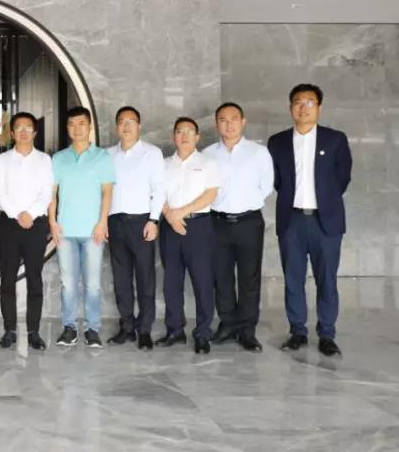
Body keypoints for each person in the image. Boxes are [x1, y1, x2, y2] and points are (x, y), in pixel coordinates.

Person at [267, 84, 352, 357]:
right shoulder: (277, 142)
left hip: (325, 222)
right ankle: (298, 332)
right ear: (290, 107)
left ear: (319, 107)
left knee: (327, 280)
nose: (303, 108)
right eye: (298, 102)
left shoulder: (335, 139)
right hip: (291, 220)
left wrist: (324, 200)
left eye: (310, 102)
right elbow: (277, 180)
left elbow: (342, 177)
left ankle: (327, 334)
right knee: (293, 279)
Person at [204, 102, 274, 352]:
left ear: (243, 122)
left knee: (249, 278)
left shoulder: (259, 153)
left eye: (234, 119)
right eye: (223, 120)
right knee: (221, 276)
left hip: (248, 222)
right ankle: (227, 324)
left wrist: (243, 203)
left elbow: (266, 186)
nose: (229, 124)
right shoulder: (207, 154)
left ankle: (247, 330)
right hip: (217, 223)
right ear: (216, 124)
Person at [49, 106, 115, 348]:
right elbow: (52, 194)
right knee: (67, 284)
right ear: (67, 128)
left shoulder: (102, 157)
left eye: (81, 123)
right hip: (65, 231)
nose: (76, 129)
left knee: (93, 284)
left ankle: (92, 329)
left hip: (93, 231)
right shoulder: (58, 159)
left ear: (89, 126)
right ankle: (69, 327)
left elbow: (107, 192)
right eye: (72, 124)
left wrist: (103, 221)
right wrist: (52, 222)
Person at [157, 117, 220, 354]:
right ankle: (175, 330)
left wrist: (181, 213)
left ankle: (203, 333)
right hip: (169, 227)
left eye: (189, 132)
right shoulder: (163, 164)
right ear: (173, 136)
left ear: (197, 137)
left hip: (199, 226)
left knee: (202, 282)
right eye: (179, 132)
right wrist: (169, 215)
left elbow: (210, 194)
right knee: (171, 282)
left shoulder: (208, 163)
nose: (184, 136)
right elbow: (156, 193)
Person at [104, 106, 164, 351]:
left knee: (145, 278)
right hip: (115, 222)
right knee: (121, 279)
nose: (126, 126)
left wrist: (154, 220)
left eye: (131, 121)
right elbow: (102, 192)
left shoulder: (152, 153)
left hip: (142, 222)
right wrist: (103, 221)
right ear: (116, 126)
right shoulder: (107, 155)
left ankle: (145, 329)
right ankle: (127, 327)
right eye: (122, 121)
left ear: (139, 125)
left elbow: (159, 189)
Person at [0, 111, 52, 351]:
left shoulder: (44, 160)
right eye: (19, 128)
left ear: (35, 133)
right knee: (7, 279)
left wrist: (31, 214)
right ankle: (10, 330)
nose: (24, 132)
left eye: (28, 128)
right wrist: (18, 214)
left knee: (35, 278)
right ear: (12, 132)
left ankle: (33, 332)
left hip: (36, 225)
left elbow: (47, 193)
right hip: (10, 224)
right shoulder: (3, 160)